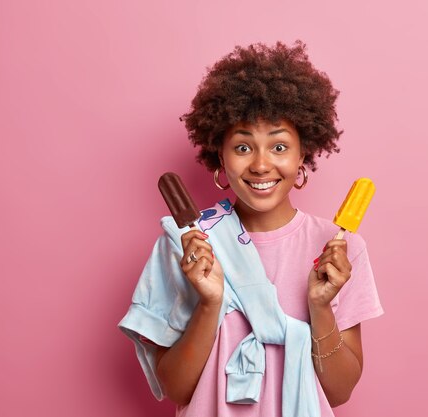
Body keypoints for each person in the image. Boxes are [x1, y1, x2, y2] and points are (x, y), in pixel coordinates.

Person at [118, 40, 383, 417]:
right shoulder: (187, 246)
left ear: (302, 154)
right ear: (219, 155)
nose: (260, 165)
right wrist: (210, 303)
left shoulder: (341, 251)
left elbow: (338, 393)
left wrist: (320, 306)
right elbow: (177, 389)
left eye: (279, 147)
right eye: (243, 148)